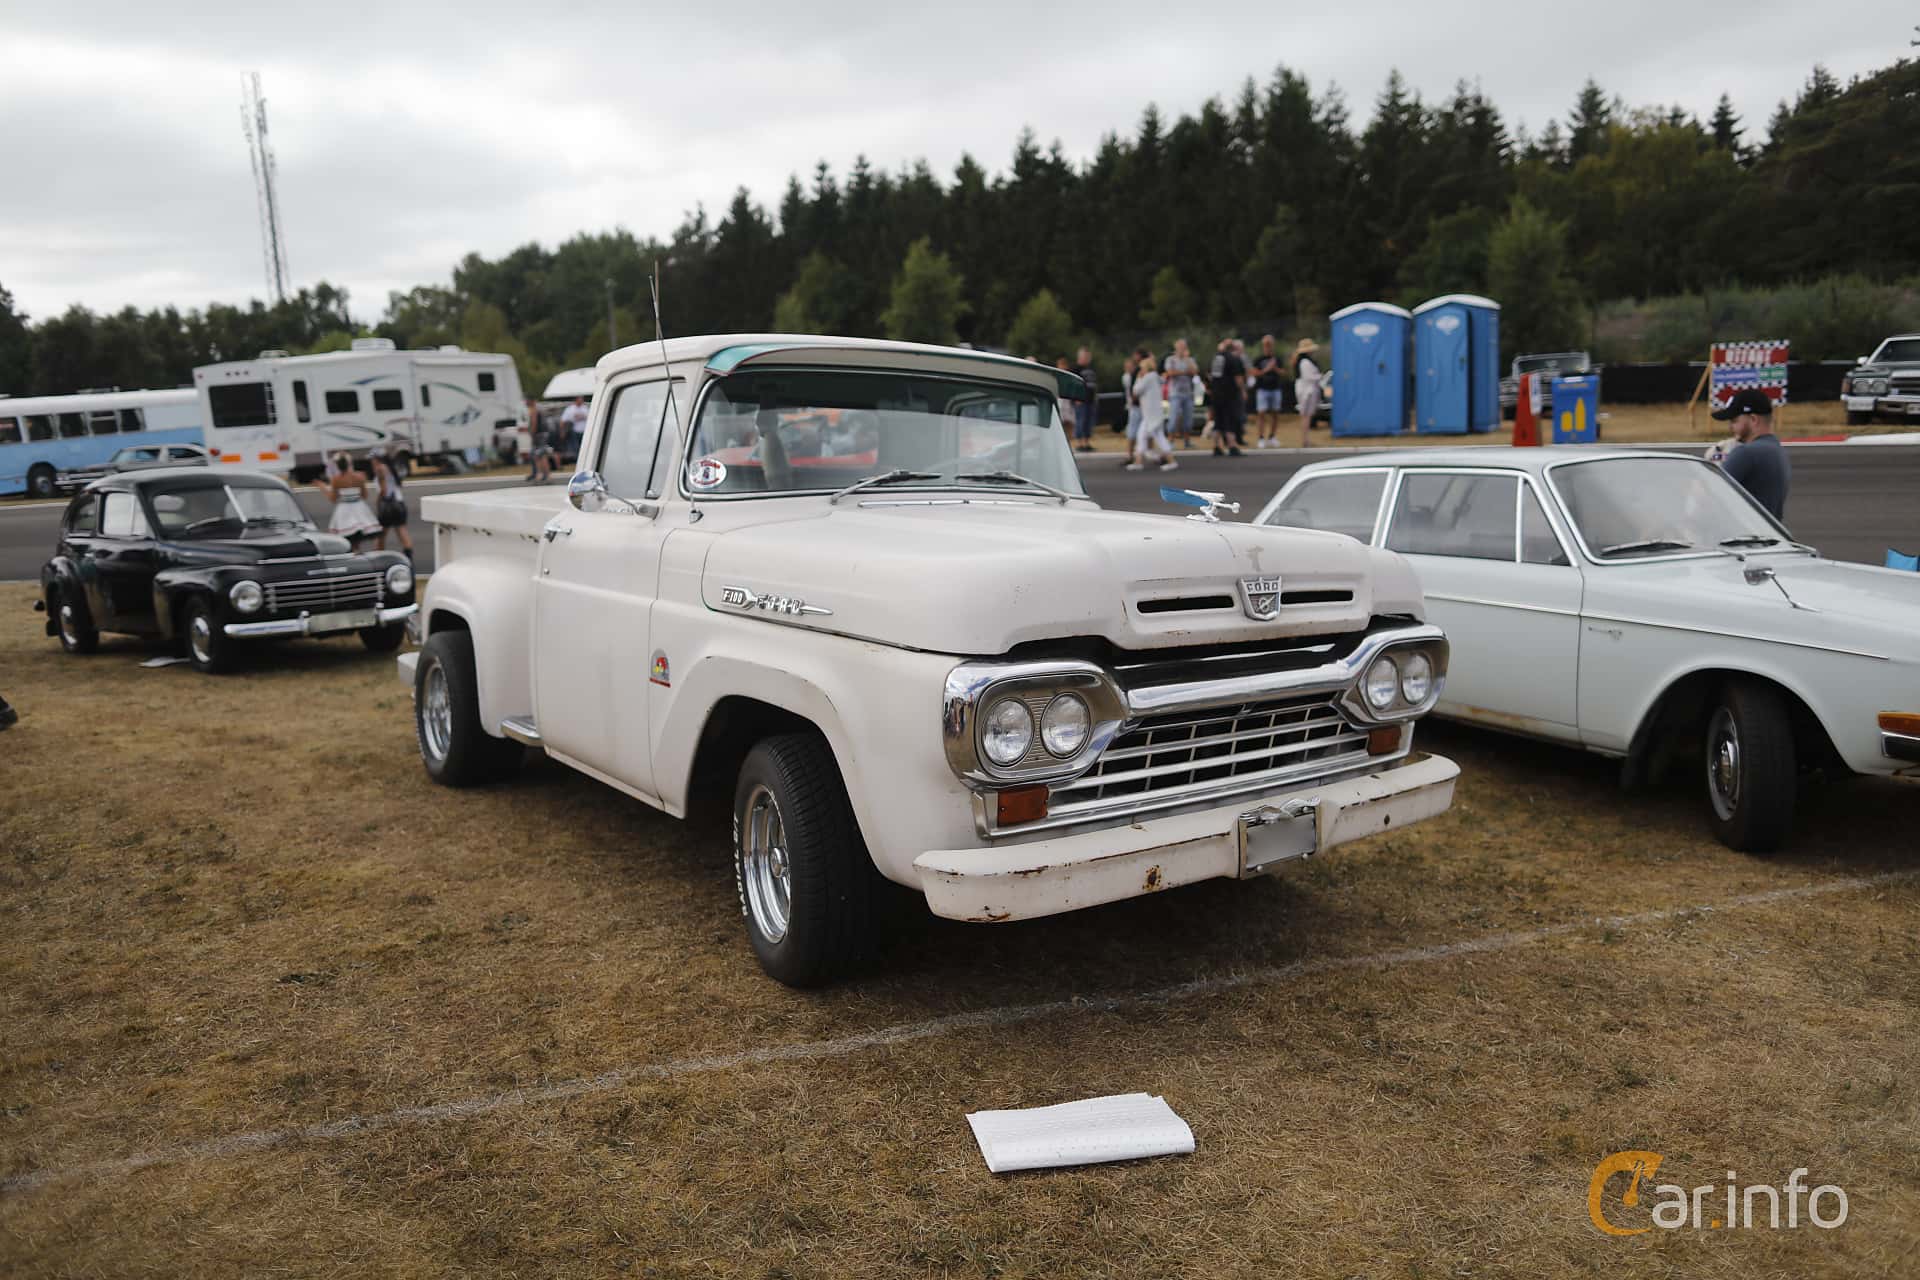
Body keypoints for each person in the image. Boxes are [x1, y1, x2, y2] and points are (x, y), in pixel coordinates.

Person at [1713, 388, 1791, 520]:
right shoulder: (1776, 450)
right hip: (1770, 534)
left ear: (1753, 419)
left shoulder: (1746, 453)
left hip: (1744, 536)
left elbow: (1710, 498)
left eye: (1734, 420)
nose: (1730, 427)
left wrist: (1710, 469)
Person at [1124, 354, 1177, 473]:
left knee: (1158, 438)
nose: (1141, 370)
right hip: (1152, 415)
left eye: (1142, 368)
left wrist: (1138, 378)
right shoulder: (1155, 377)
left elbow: (1136, 390)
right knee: (1142, 437)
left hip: (1151, 416)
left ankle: (1171, 461)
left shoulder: (1148, 378)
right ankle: (1138, 462)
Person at [313, 451, 380, 546]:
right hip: (359, 508)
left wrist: (322, 487)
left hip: (344, 510)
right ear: (349, 464)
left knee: (348, 539)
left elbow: (333, 499)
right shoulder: (359, 477)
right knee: (358, 538)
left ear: (337, 466)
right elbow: (365, 495)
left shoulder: (336, 479)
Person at [369, 451, 413, 559]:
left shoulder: (380, 469)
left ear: (377, 459)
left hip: (388, 506)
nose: (371, 461)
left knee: (381, 535)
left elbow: (384, 490)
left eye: (372, 459)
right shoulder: (391, 468)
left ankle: (379, 558)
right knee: (402, 532)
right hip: (399, 503)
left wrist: (378, 501)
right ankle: (409, 557)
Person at [1209, 337, 1246, 456]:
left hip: (1216, 393)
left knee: (1218, 420)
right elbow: (1238, 378)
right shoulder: (1233, 359)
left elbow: (1210, 374)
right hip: (1229, 394)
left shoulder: (1216, 358)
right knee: (1230, 419)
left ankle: (1216, 446)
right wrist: (1243, 390)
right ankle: (1232, 445)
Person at [1250, 335, 1286, 448]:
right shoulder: (1258, 359)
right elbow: (1254, 373)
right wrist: (1267, 369)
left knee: (1275, 414)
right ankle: (1261, 438)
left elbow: (1284, 373)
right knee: (1261, 414)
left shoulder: (1277, 359)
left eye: (1270, 345)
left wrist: (1275, 368)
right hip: (1262, 389)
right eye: (1266, 345)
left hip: (1275, 389)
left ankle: (1272, 437)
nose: (1268, 347)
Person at [1164, 338, 1199, 446]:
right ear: (1176, 348)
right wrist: (1184, 372)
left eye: (1183, 347)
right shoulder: (1171, 359)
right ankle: (1170, 441)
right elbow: (1170, 373)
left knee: (1188, 419)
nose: (1182, 349)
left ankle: (1187, 441)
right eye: (1180, 347)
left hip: (1188, 393)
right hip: (1175, 393)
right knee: (1173, 418)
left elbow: (1194, 372)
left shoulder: (1190, 360)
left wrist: (1187, 359)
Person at [1292, 338, 1324, 445]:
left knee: (1306, 416)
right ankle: (1305, 440)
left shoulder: (1302, 362)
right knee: (1306, 416)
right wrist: (1320, 376)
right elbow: (1309, 377)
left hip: (1305, 389)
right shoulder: (1305, 362)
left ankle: (1305, 439)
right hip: (1307, 391)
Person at [1072, 347, 1098, 452]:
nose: (1088, 359)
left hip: (1090, 400)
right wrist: (1076, 397)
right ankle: (1079, 443)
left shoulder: (1091, 369)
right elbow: (1073, 384)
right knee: (1080, 421)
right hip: (1080, 400)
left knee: (1089, 422)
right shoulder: (1075, 369)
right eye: (1086, 357)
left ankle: (1087, 442)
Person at [526, 399, 553, 483]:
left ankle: (539, 475)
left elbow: (534, 423)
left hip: (538, 435)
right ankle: (547, 476)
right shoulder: (540, 409)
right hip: (543, 434)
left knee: (537, 455)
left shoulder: (534, 410)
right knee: (543, 455)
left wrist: (532, 434)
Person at [1121, 352, 1141, 462]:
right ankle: (1130, 454)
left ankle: (1139, 453)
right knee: (1132, 430)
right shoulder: (1127, 377)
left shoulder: (1136, 375)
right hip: (1133, 406)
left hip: (1140, 406)